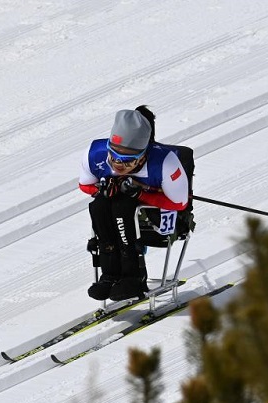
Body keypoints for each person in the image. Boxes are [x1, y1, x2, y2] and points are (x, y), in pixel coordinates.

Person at [78, 106, 189, 301]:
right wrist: (101, 189)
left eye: (128, 161)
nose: (119, 165)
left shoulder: (166, 163)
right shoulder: (94, 153)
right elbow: (85, 185)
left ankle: (134, 276)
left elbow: (180, 203)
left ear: (144, 155)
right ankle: (110, 275)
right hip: (113, 212)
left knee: (123, 206)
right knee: (99, 205)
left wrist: (141, 193)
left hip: (157, 218)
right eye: (114, 157)